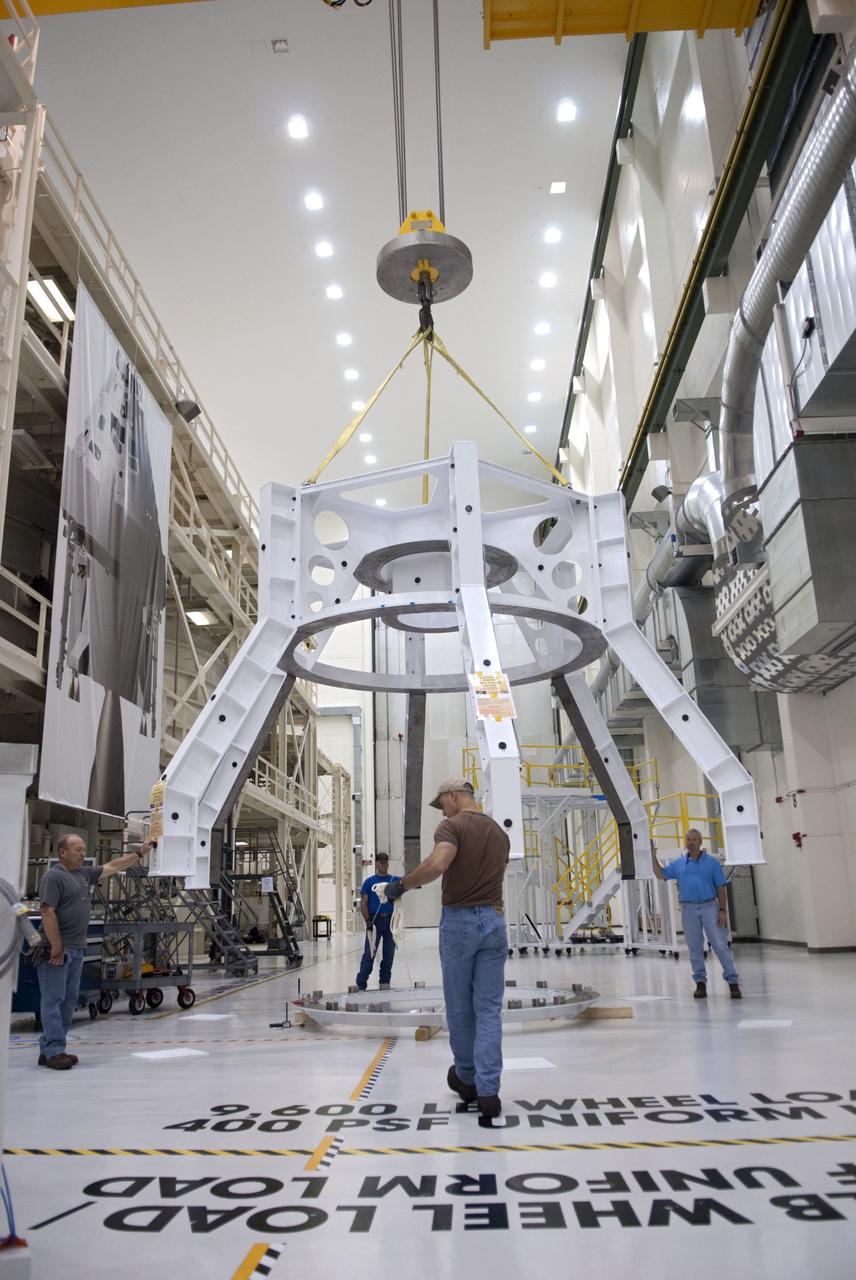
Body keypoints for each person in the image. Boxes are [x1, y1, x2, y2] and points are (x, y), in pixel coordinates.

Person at [386, 777, 509, 1119]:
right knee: (489, 1010)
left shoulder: (451, 827)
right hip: (495, 921)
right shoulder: (499, 832)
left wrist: (402, 885)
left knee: (459, 1007)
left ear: (453, 796)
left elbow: (438, 864)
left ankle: (467, 1079)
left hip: (460, 924)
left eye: (441, 803)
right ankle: (489, 1092)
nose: (441, 810)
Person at [37, 833, 147, 1069]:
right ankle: (54, 1050)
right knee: (54, 999)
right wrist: (56, 946)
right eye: (77, 849)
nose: (82, 853)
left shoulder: (83, 874)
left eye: (83, 849)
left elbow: (113, 866)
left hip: (77, 948)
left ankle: (51, 1048)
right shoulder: (53, 877)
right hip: (57, 949)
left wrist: (140, 853)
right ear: (62, 852)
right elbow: (47, 912)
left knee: (68, 1000)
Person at [652, 828, 741, 1000]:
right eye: (688, 839)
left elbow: (720, 887)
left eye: (694, 839)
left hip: (710, 907)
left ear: (700, 842)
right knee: (694, 947)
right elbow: (660, 874)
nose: (691, 842)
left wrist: (722, 910)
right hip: (688, 909)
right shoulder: (679, 863)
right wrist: (652, 857)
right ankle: (700, 983)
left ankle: (733, 983)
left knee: (720, 945)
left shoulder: (712, 863)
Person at [355, 852, 399, 991]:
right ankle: (361, 984)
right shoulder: (369, 882)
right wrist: (368, 921)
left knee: (389, 954)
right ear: (377, 864)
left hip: (390, 921)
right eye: (381, 861)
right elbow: (364, 902)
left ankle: (384, 983)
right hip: (375, 921)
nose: (384, 864)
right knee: (369, 954)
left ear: (388, 863)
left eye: (386, 861)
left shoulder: (394, 880)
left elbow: (406, 885)